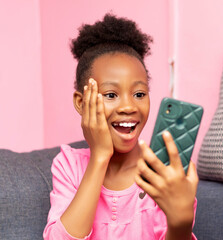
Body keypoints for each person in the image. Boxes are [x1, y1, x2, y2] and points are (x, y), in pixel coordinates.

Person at [43, 13, 198, 240]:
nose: (128, 106)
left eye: (139, 94)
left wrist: (180, 223)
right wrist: (99, 157)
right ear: (81, 102)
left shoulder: (163, 171)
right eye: (111, 94)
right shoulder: (69, 165)